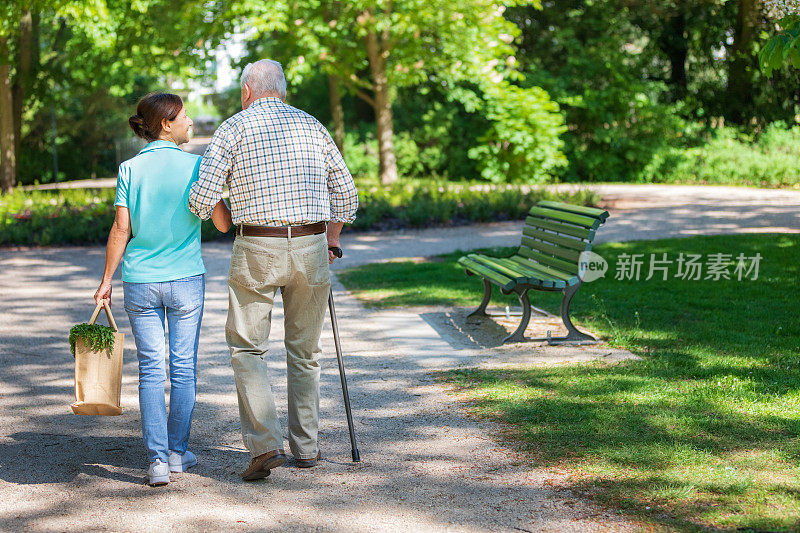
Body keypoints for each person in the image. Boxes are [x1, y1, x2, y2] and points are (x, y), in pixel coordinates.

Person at [188, 59, 358, 481]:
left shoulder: (233, 128)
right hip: (312, 245)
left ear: (247, 90)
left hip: (257, 245)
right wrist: (332, 235)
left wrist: (225, 208)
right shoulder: (312, 125)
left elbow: (199, 199)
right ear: (281, 90)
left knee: (248, 348)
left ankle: (265, 445)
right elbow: (348, 197)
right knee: (305, 351)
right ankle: (308, 448)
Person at [94, 92, 232, 486]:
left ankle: (156, 462)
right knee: (183, 367)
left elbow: (122, 229)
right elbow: (222, 224)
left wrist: (106, 280)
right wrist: (219, 186)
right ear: (166, 124)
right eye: (185, 116)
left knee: (151, 370)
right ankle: (176, 453)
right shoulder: (198, 166)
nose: (191, 122)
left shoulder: (129, 169)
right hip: (186, 279)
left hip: (140, 281)